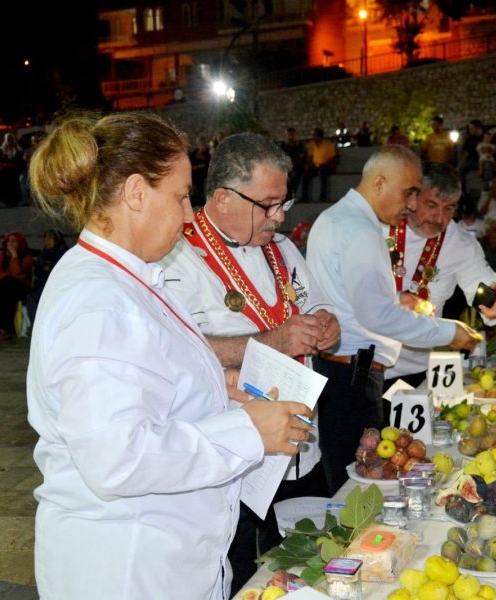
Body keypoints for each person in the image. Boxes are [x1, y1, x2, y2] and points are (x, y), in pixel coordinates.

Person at [25, 111, 311, 599]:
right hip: (128, 569)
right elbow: (118, 457)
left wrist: (212, 389)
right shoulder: (97, 300)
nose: (186, 215)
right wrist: (246, 431)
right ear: (137, 193)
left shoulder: (132, 277)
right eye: (180, 196)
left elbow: (149, 379)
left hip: (167, 557)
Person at [159, 132, 339, 594]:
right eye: (268, 204)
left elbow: (316, 304)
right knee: (244, 576)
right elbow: (181, 348)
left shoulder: (282, 247)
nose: (279, 217)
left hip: (302, 446)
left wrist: (326, 324)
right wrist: (273, 340)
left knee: (313, 565)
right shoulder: (179, 253)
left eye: (284, 203)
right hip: (238, 460)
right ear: (222, 198)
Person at [306, 145, 482, 493]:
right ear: (380, 183)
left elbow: (353, 299)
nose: (413, 204)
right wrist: (449, 332)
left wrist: (394, 299)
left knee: (350, 482)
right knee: (362, 489)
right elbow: (376, 316)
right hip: (353, 374)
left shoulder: (335, 218)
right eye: (410, 192)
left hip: (340, 369)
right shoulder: (360, 228)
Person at [383, 162, 496, 389]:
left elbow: (481, 283)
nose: (439, 217)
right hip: (363, 362)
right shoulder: (378, 225)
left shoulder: (460, 243)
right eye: (431, 205)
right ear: (413, 198)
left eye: (449, 208)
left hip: (415, 368)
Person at [0, 232, 34, 339]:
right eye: (8, 241)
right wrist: (9, 276)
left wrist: (14, 256)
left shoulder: (27, 258)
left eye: (14, 241)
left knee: (7, 285)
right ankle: (0, 327)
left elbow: (18, 275)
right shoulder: (1, 255)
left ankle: (2, 328)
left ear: (20, 243)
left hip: (22, 288)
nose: (10, 244)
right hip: (5, 287)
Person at [25, 230, 69, 323]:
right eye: (46, 239)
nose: (47, 241)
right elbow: (38, 268)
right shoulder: (45, 252)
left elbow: (59, 268)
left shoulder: (64, 252)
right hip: (42, 285)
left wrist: (48, 266)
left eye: (50, 238)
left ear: (57, 240)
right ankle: (36, 326)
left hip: (58, 285)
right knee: (31, 298)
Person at [300, 127, 337, 203]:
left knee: (322, 172)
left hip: (326, 166)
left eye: (314, 135)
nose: (313, 137)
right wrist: (308, 164)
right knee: (306, 174)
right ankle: (304, 196)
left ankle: (323, 196)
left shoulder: (329, 144)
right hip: (315, 166)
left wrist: (322, 164)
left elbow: (332, 158)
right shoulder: (311, 145)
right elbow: (310, 157)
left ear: (319, 136)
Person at [0, 132, 24, 207]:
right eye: (8, 140)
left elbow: (20, 160)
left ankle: (15, 200)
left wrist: (13, 163)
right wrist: (5, 164)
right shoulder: (1, 150)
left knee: (14, 186)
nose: (10, 141)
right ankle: (6, 200)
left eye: (11, 139)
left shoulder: (18, 150)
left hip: (14, 172)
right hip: (4, 172)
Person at [280, 127, 307, 201]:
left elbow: (303, 157)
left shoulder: (300, 145)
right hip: (286, 168)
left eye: (293, 134)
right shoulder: (283, 146)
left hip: (298, 168)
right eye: (289, 134)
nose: (291, 136)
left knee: (298, 177)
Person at [457, 119, 484, 188]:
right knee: (459, 169)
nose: (470, 130)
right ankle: (461, 190)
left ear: (477, 128)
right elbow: (464, 152)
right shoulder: (469, 139)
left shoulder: (486, 137)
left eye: (471, 128)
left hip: (484, 160)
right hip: (471, 161)